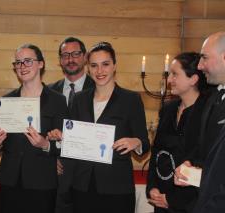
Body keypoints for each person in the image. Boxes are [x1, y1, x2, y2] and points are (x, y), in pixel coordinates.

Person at [52, 41, 150, 213]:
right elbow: (74, 141)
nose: (100, 71)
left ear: (114, 66)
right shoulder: (79, 99)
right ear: (88, 68)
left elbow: (143, 142)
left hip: (116, 187)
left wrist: (137, 142)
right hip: (82, 186)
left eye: (105, 64)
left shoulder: (130, 100)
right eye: (94, 65)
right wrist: (61, 139)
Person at [0, 43, 68, 213]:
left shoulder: (58, 101)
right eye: (18, 62)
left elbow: (65, 144)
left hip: (42, 182)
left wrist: (45, 144)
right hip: (10, 181)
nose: (22, 66)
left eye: (27, 61)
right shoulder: (6, 101)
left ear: (41, 64)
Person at [146, 52, 208, 213]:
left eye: (175, 74)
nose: (169, 79)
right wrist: (152, 187)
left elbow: (203, 162)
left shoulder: (207, 113)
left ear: (193, 79)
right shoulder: (168, 109)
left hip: (190, 204)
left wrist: (173, 200)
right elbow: (157, 151)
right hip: (160, 198)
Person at [174, 32, 225, 213]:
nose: (200, 65)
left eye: (204, 57)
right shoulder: (213, 98)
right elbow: (207, 149)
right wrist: (190, 166)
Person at [49, 37, 95, 213]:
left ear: (84, 57)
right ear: (60, 60)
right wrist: (51, 158)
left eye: (76, 54)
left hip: (89, 176)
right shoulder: (49, 91)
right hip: (57, 177)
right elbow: (44, 130)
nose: (70, 59)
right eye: (65, 55)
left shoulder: (99, 88)